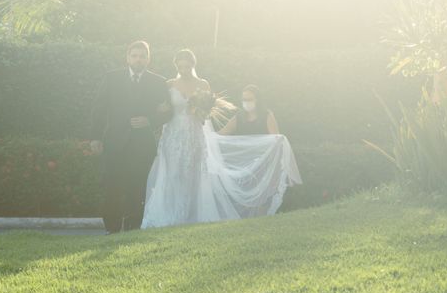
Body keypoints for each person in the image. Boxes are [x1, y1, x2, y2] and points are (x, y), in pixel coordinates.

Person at [142, 50, 301, 229]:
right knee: (172, 173)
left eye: (188, 66)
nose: (185, 69)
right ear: (176, 66)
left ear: (193, 66)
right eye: (181, 66)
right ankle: (169, 214)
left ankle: (189, 214)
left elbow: (205, 117)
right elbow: (161, 109)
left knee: (192, 175)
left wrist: (200, 111)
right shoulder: (169, 84)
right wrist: (161, 109)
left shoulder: (202, 84)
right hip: (173, 134)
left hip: (194, 134)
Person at [90, 40, 170, 233]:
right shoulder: (112, 78)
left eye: (142, 56)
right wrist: (95, 137)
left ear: (148, 59)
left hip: (142, 144)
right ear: (127, 57)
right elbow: (99, 109)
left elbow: (168, 112)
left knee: (138, 186)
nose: (138, 59)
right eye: (134, 55)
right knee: (111, 185)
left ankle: (133, 227)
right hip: (114, 141)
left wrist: (150, 120)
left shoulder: (159, 82)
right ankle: (112, 228)